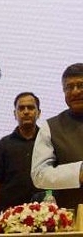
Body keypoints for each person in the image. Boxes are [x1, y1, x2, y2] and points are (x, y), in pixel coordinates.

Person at [0, 92, 43, 217]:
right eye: (21, 108)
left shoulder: (49, 142)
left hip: (46, 219)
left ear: (39, 113)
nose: (26, 112)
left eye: (30, 108)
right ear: (15, 114)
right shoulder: (3, 145)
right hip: (9, 221)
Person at [31, 63, 83, 209]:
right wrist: (79, 172)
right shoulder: (50, 127)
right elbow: (39, 175)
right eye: (69, 87)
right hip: (74, 219)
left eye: (80, 85)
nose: (75, 91)